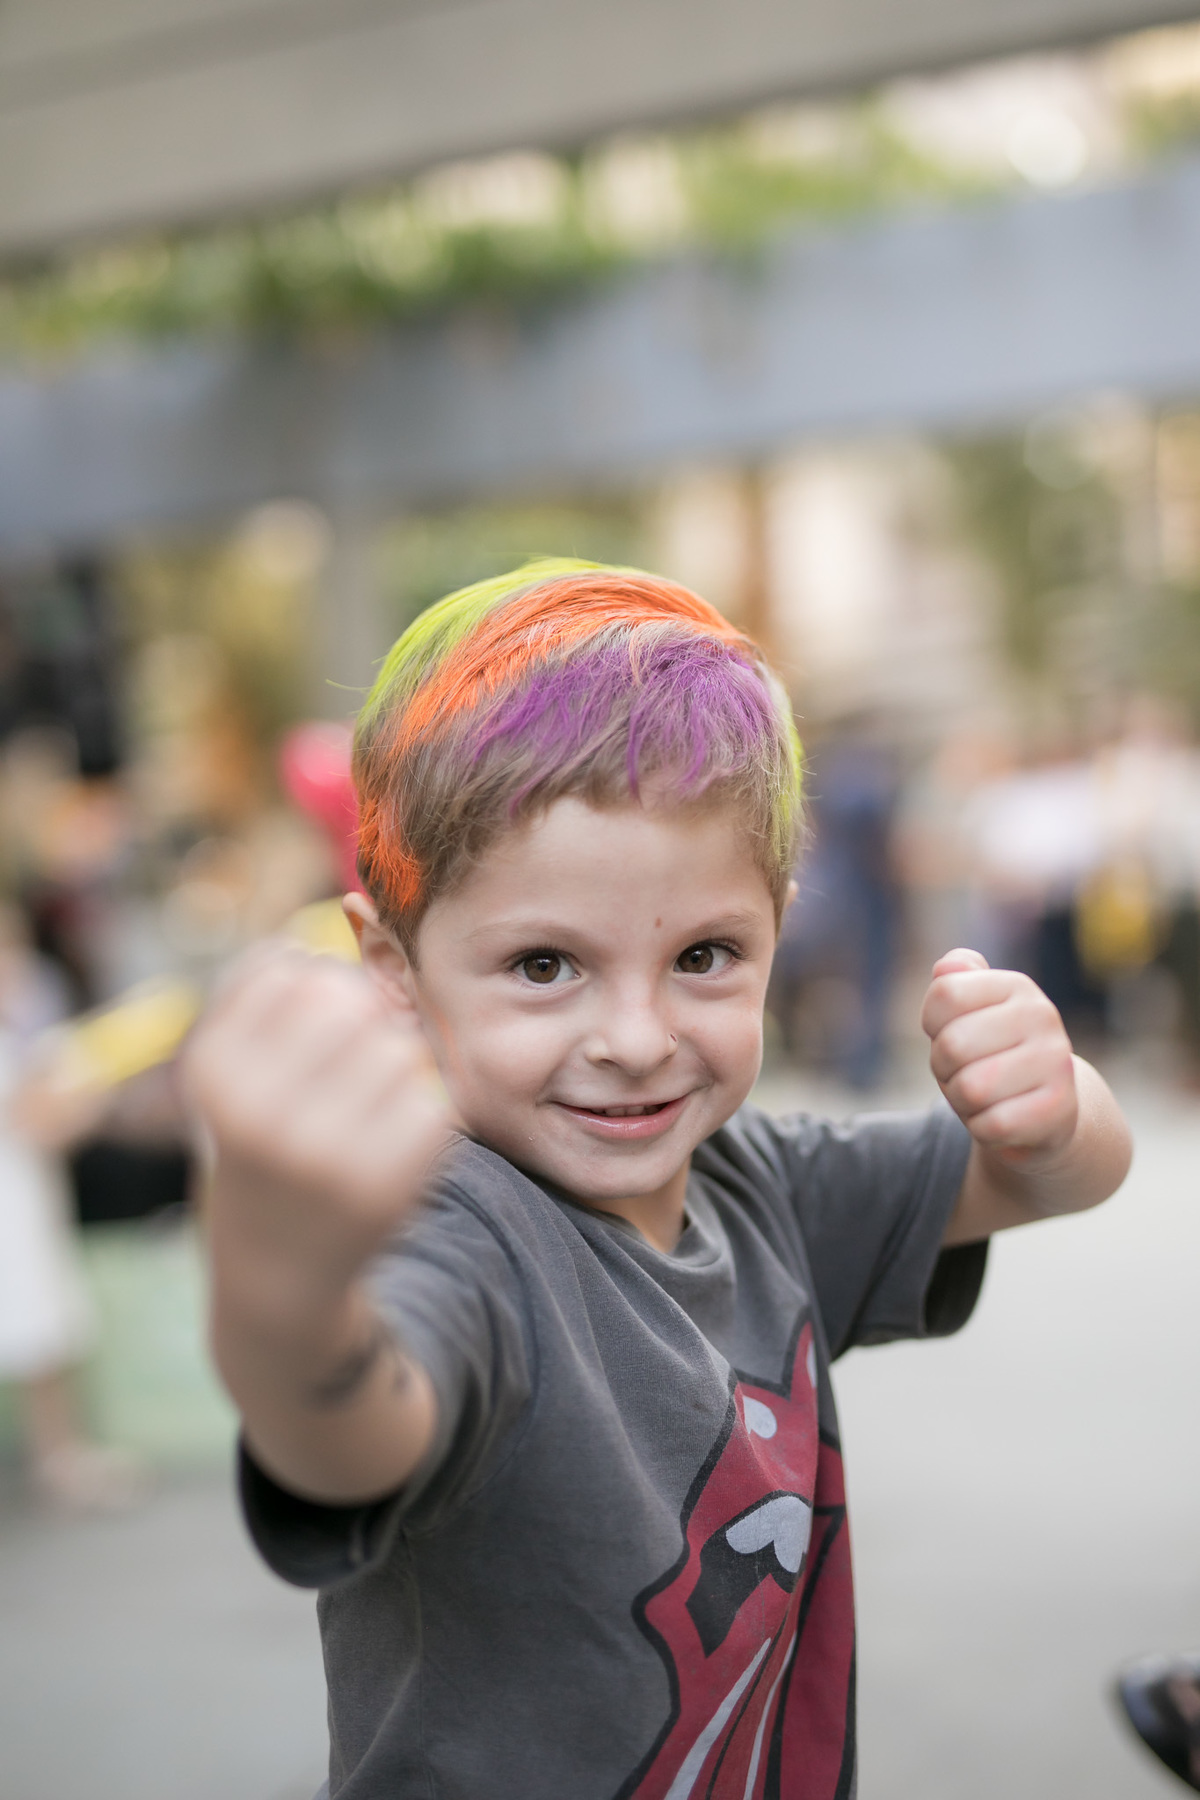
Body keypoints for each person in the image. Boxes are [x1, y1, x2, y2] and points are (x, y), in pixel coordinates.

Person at [188, 560, 1132, 1800]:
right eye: (542, 965)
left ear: (777, 932)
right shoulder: (467, 1233)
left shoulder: (759, 1186)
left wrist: (1053, 1113)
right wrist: (284, 1294)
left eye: (703, 955)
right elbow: (345, 1432)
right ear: (392, 967)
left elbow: (1041, 1182)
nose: (636, 1037)